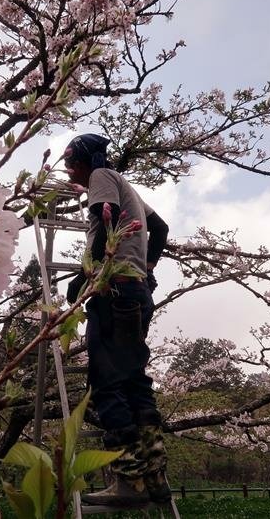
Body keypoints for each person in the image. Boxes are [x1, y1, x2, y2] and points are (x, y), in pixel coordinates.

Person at [62, 134, 171, 507]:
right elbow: (161, 230)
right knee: (135, 382)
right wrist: (149, 266)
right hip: (136, 292)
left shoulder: (102, 176)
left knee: (107, 384)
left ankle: (128, 480)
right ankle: (153, 474)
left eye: (70, 159)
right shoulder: (130, 190)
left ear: (86, 159)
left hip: (114, 293)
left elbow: (101, 215)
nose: (66, 167)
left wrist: (86, 274)